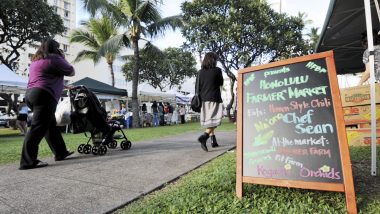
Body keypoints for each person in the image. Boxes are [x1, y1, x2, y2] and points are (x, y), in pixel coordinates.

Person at [19, 38, 75, 170]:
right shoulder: (54, 58)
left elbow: (45, 77)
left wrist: (63, 85)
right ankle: (27, 161)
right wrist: (62, 57)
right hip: (44, 95)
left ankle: (61, 152)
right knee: (37, 128)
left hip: (31, 94)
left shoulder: (36, 60)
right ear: (55, 48)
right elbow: (71, 71)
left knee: (49, 125)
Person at [197, 52, 224, 152]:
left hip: (204, 101)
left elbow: (198, 87)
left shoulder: (200, 72)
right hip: (214, 98)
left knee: (210, 121)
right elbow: (220, 83)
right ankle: (205, 136)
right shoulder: (217, 70)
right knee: (216, 119)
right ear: (214, 60)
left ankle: (213, 140)